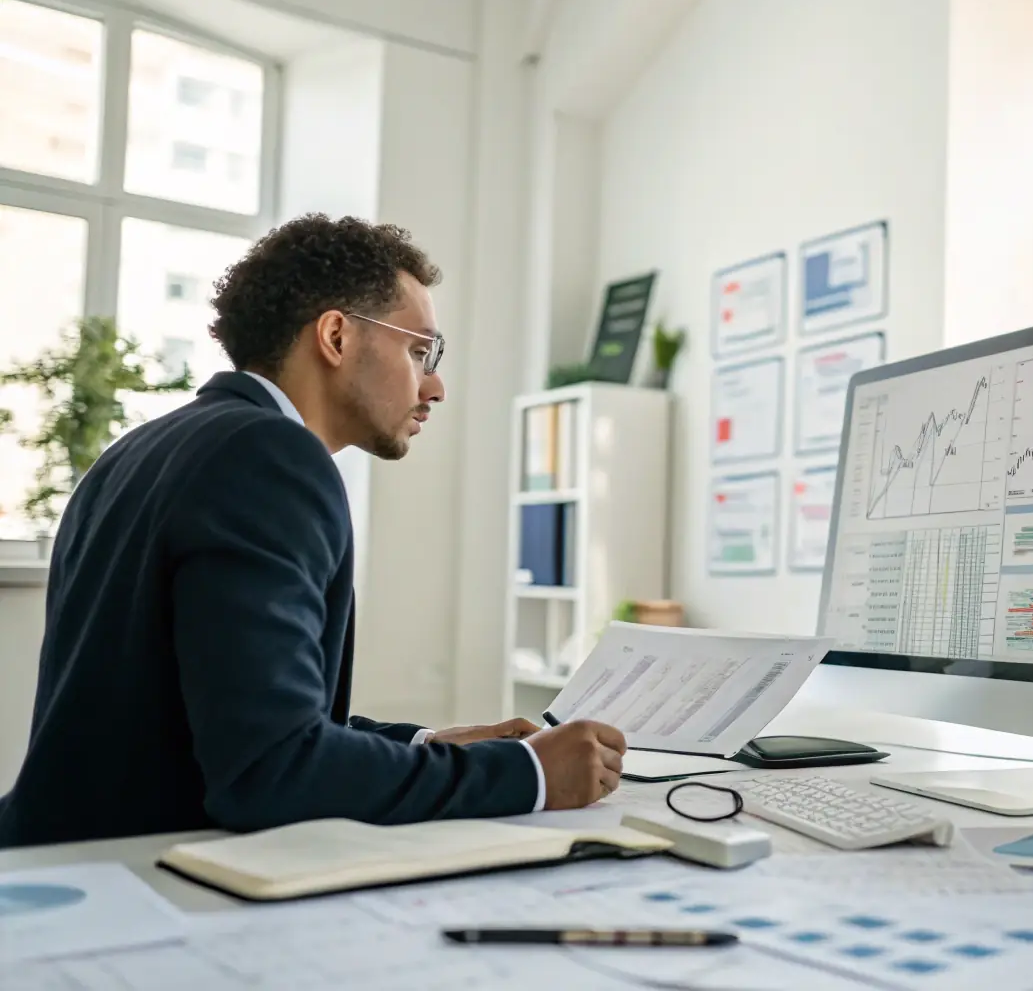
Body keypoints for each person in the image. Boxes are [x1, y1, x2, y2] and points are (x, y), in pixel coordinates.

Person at [0, 215, 625, 849]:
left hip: (60, 863)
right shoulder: (271, 456)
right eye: (419, 352)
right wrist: (527, 774)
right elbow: (274, 771)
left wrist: (426, 744)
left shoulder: (137, 450)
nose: (434, 386)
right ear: (335, 336)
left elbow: (225, 720)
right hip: (141, 883)